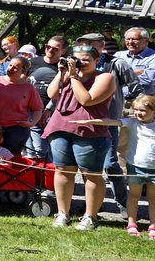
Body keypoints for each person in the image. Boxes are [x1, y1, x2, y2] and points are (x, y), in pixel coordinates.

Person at [44, 45, 116, 230]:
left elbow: (86, 99)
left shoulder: (105, 77)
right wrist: (61, 73)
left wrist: (74, 76)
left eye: (85, 60)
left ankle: (90, 216)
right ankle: (62, 214)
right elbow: (52, 94)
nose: (80, 63)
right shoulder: (69, 75)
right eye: (77, 59)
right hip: (61, 128)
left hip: (90, 132)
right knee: (62, 171)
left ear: (97, 60)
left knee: (90, 174)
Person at [70, 94, 155, 240]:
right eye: (135, 110)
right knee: (134, 196)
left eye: (142, 110)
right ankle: (132, 223)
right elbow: (111, 121)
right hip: (135, 167)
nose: (137, 113)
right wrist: (90, 121)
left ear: (154, 111)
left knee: (153, 199)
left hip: (153, 169)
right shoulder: (132, 123)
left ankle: (153, 225)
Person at [76, 32, 143, 216]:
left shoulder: (116, 63)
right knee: (86, 166)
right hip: (83, 120)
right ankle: (93, 207)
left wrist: (124, 102)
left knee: (111, 164)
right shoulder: (79, 64)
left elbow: (136, 86)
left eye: (90, 43)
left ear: (101, 44)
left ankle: (123, 205)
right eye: (83, 44)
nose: (86, 47)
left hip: (108, 121)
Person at [0, 56, 43, 154]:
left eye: (15, 67)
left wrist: (31, 123)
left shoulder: (28, 88)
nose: (10, 69)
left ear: (23, 70)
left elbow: (38, 109)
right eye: (10, 65)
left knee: (11, 157)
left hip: (16, 129)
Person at [26, 35, 69, 160]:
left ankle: (48, 175)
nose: (50, 50)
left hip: (52, 112)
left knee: (46, 149)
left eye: (55, 49)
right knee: (29, 151)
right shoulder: (33, 62)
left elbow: (64, 90)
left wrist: (49, 109)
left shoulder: (64, 67)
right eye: (47, 46)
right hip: (28, 110)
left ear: (63, 51)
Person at [115, 27, 155, 96]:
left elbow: (147, 81)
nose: (130, 42)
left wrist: (120, 77)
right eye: (128, 39)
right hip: (118, 100)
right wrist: (134, 73)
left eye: (135, 39)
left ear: (146, 41)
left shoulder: (153, 57)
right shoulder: (118, 55)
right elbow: (109, 75)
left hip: (141, 102)